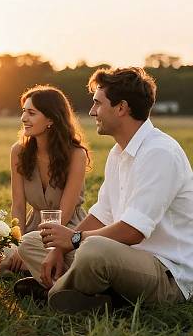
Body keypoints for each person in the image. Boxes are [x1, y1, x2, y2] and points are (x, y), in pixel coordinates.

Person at [16, 67, 193, 313]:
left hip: (165, 273)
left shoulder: (159, 153)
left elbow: (133, 232)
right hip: (119, 258)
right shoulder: (118, 152)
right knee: (33, 242)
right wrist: (60, 247)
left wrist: (74, 239)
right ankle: (101, 298)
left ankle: (55, 295)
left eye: (98, 104)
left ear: (121, 108)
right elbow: (102, 214)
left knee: (93, 248)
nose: (92, 111)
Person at [5, 85, 89, 276]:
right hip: (32, 231)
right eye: (23, 112)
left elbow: (65, 213)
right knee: (1, 256)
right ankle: (40, 273)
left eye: (31, 113)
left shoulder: (76, 154)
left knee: (80, 261)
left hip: (67, 230)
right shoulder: (18, 151)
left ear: (51, 119)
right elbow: (18, 205)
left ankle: (37, 273)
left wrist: (29, 249)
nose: (23, 118)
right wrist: (19, 244)